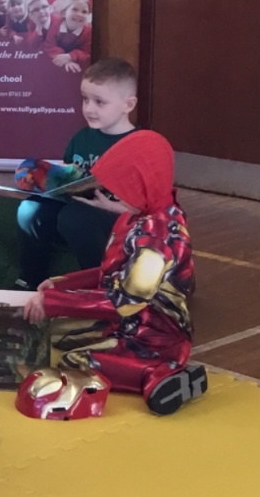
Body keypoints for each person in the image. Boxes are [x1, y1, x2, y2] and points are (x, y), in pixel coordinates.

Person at [22, 130, 206, 416]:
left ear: (141, 186)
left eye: (118, 190)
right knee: (53, 334)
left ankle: (158, 372)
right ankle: (151, 367)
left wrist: (54, 302)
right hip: (126, 323)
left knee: (74, 361)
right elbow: (113, 272)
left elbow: (125, 301)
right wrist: (62, 284)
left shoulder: (156, 241)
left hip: (152, 336)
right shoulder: (138, 216)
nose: (108, 196)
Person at [15, 56, 138, 289]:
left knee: (74, 217)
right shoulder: (81, 138)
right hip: (76, 208)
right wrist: (45, 182)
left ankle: (100, 285)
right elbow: (67, 177)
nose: (89, 108)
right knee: (29, 209)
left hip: (115, 220)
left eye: (99, 102)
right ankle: (30, 281)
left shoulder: (138, 144)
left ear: (128, 105)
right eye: (85, 99)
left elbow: (146, 209)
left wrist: (112, 206)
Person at [49, 0, 93, 72]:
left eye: (84, 12)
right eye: (74, 9)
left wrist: (70, 56)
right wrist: (64, 59)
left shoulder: (89, 31)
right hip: (54, 63)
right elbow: (49, 45)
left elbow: (87, 52)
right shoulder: (54, 25)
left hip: (76, 66)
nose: (79, 14)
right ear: (64, 13)